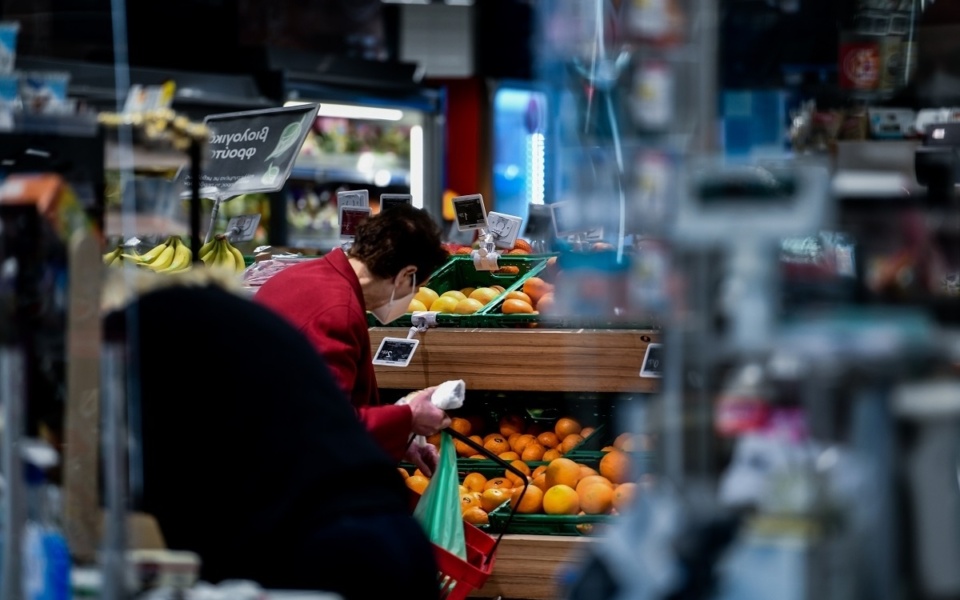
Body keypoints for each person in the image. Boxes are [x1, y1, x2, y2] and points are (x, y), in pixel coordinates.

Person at [102, 271, 441, 599]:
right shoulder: (238, 321)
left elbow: (161, 468)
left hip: (321, 554)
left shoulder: (139, 332)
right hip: (395, 535)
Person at [254, 204, 451, 475]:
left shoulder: (295, 276)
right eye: (416, 288)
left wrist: (397, 441)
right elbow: (327, 425)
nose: (412, 296)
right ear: (406, 274)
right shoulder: (339, 311)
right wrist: (408, 417)